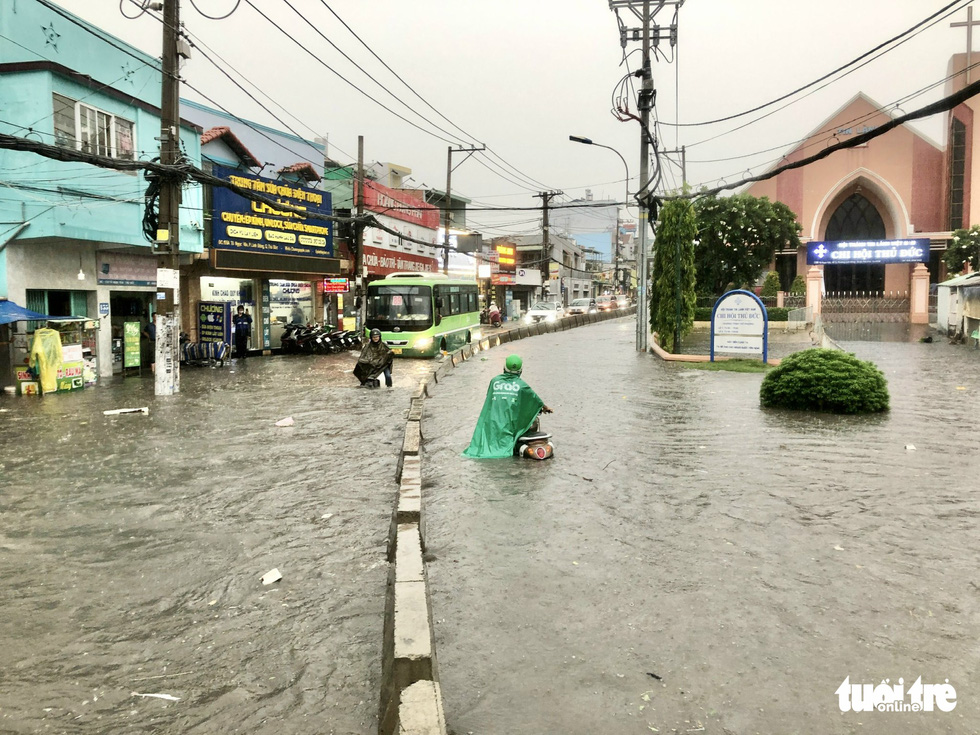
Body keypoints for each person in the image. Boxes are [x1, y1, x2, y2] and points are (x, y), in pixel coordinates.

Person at [463, 354, 552, 458]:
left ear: (504, 368)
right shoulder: (522, 385)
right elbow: (534, 400)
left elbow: (490, 398)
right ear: (521, 370)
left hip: (492, 423)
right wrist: (545, 408)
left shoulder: (494, 381)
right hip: (510, 424)